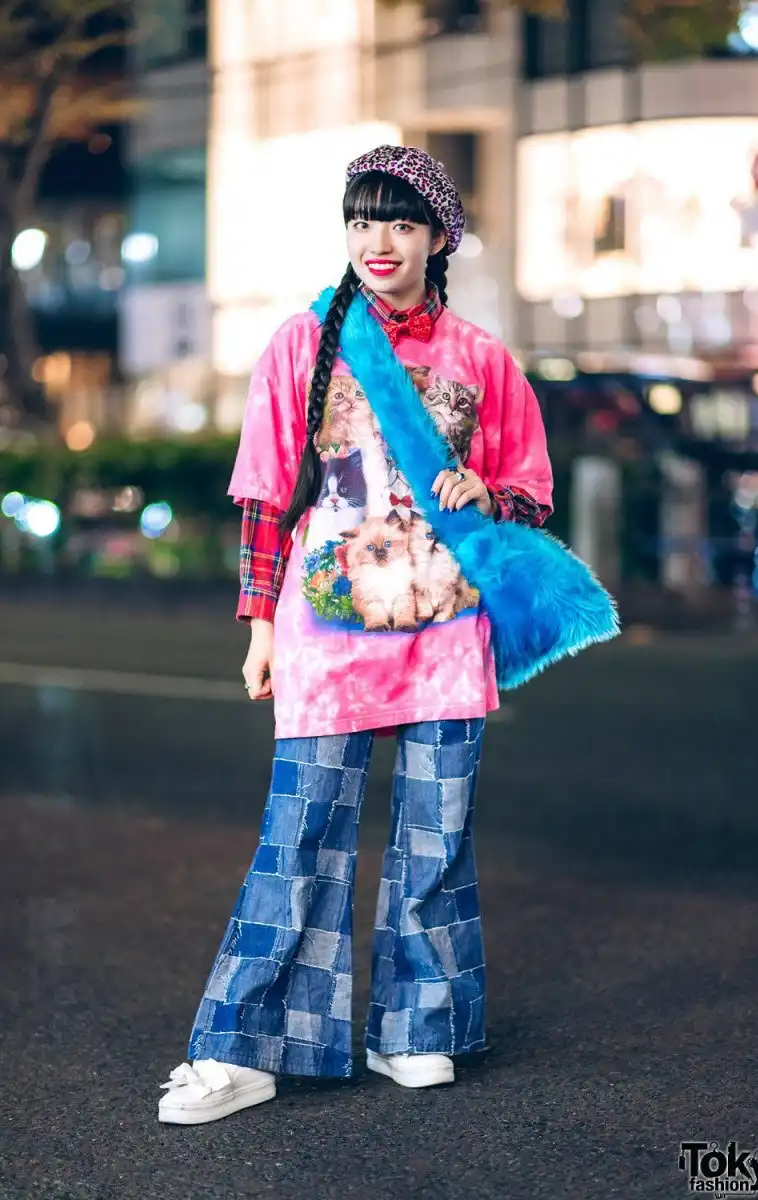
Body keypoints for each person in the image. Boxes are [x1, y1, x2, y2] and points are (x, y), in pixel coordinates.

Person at [158, 144, 554, 1125]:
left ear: (438, 237)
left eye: (401, 222)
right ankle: (245, 1049)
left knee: (435, 840)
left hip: (447, 634)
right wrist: (259, 626)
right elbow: (265, 496)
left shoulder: (480, 358)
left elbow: (529, 492)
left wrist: (488, 493)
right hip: (327, 635)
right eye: (362, 220)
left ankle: (416, 1028)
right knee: (298, 836)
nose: (379, 241)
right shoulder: (304, 342)